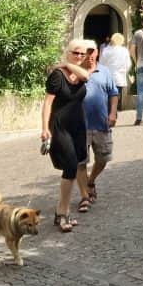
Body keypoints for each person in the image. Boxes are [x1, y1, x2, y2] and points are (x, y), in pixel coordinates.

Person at [41, 40, 93, 232]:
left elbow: (86, 75)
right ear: (67, 52)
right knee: (70, 165)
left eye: (82, 54)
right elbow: (47, 103)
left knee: (78, 163)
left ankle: (60, 211)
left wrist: (68, 64)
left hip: (78, 126)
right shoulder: (57, 76)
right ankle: (62, 212)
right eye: (75, 53)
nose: (79, 56)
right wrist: (44, 128)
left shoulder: (78, 73)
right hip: (60, 126)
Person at [79, 42, 119, 206]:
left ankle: (90, 180)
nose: (89, 55)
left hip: (101, 123)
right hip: (80, 125)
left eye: (92, 51)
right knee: (80, 162)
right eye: (85, 52)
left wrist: (113, 113)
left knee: (103, 159)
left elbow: (113, 93)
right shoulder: (76, 72)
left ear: (97, 52)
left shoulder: (104, 71)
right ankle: (84, 196)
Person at [99, 32, 131, 111]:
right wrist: (124, 71)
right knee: (116, 97)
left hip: (107, 78)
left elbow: (101, 63)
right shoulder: (124, 51)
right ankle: (113, 114)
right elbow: (128, 64)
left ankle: (109, 115)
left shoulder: (106, 50)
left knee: (107, 98)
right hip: (119, 78)